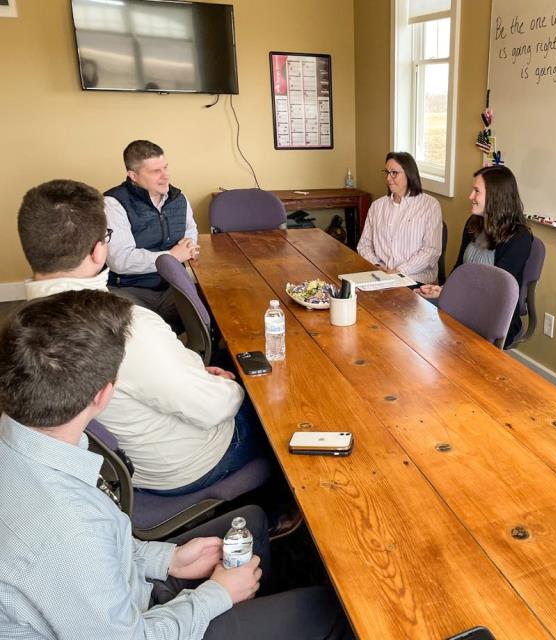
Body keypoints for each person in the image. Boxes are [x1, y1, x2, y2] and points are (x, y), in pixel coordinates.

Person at [0, 290, 348, 639]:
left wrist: (167, 559)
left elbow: (101, 551)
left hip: (126, 594)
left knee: (251, 522)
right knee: (330, 611)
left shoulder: (29, 442)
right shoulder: (68, 530)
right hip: (140, 627)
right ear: (104, 395)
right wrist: (217, 595)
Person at [18, 179, 265, 496]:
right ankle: (283, 508)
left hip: (122, 466)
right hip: (187, 466)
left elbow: (138, 379)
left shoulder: (22, 327)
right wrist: (232, 385)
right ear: (98, 251)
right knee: (269, 405)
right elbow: (212, 407)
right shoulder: (130, 327)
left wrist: (191, 373)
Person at [419, 165, 533, 347]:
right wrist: (444, 289)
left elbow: (496, 291)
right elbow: (459, 268)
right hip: (464, 303)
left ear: (495, 196)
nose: (470, 196)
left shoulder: (520, 238)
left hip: (492, 315)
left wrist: (452, 296)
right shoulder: (473, 224)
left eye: (476, 191)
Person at [104, 139, 200, 331]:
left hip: (173, 286)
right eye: (156, 171)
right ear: (133, 175)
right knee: (139, 332)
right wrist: (172, 257)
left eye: (165, 167)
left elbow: (191, 230)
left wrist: (190, 245)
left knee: (215, 311)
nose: (166, 176)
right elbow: (120, 261)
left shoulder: (179, 199)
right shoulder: (113, 204)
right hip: (129, 291)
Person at [357, 151, 442, 285]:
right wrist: (377, 266)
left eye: (394, 173)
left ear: (409, 174)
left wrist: (398, 271)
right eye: (387, 172)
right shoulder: (377, 206)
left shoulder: (430, 206)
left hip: (415, 280)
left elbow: (431, 251)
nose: (388, 178)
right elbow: (364, 245)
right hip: (380, 277)